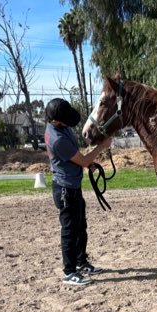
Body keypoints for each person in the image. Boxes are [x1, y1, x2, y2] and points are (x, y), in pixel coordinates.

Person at [44, 98, 112, 286]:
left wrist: (88, 159)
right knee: (69, 231)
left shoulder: (61, 128)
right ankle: (69, 272)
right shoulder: (57, 140)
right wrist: (101, 147)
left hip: (72, 186)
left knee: (80, 227)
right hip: (65, 189)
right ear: (56, 121)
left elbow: (78, 156)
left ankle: (81, 262)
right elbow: (81, 160)